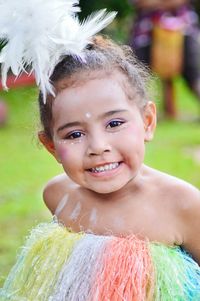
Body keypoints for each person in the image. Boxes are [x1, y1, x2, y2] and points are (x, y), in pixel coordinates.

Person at [0, 1, 200, 300]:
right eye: (75, 134)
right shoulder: (58, 196)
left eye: (115, 123)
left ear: (147, 121)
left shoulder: (184, 206)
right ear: (51, 146)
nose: (98, 147)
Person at [129, 0, 200, 111]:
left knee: (193, 76)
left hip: (183, 28)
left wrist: (156, 3)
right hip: (146, 32)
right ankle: (133, 112)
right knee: (136, 75)